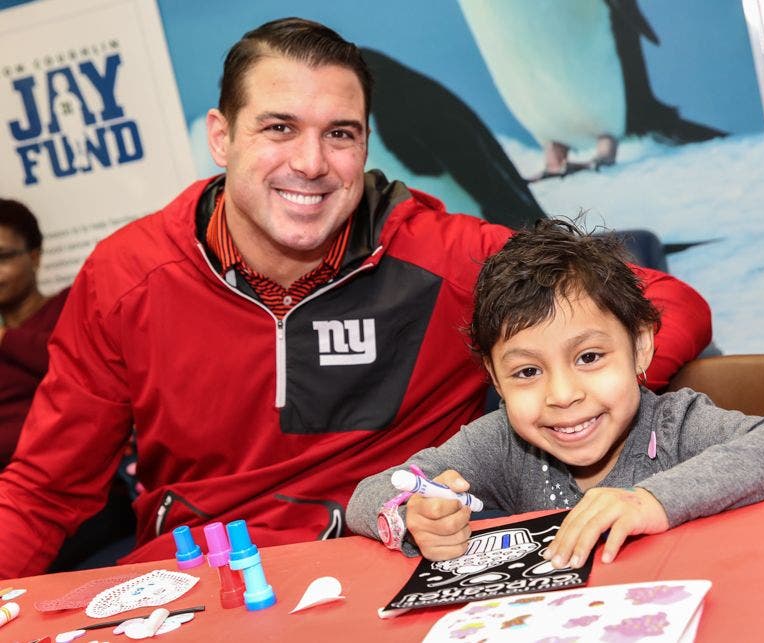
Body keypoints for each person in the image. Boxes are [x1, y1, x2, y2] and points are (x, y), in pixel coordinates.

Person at [0, 18, 712, 579]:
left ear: (367, 144)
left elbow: (667, 303)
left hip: (395, 560)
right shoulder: (128, 275)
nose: (311, 164)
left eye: (339, 134)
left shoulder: (440, 254)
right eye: (278, 128)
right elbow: (43, 489)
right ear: (221, 136)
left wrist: (574, 403)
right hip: (209, 577)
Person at [346, 220, 764, 566]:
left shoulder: (675, 426)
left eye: (588, 357)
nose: (562, 395)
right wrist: (413, 517)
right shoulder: (502, 444)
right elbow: (368, 496)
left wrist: (651, 501)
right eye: (526, 372)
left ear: (641, 347)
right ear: (495, 381)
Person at [0, 199, 69, 469]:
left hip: (67, 476)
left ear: (34, 257)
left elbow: (71, 364)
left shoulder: (69, 307)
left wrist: (6, 339)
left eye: (2, 257)